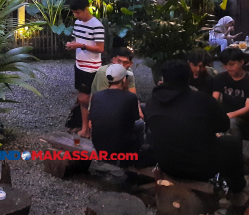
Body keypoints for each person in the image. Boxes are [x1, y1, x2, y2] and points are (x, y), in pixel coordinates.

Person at [145, 60, 247, 204]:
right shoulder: (202, 99)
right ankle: (238, 191)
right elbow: (224, 125)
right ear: (189, 77)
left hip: (167, 165)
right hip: (202, 168)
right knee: (233, 142)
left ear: (163, 78)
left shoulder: (152, 101)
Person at [65, 0, 105, 138]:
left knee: (85, 98)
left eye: (78, 13)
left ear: (86, 9)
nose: (76, 15)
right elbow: (77, 39)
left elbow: (100, 48)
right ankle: (84, 127)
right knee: (82, 98)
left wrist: (81, 45)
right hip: (79, 64)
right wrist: (72, 44)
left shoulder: (97, 25)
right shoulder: (77, 23)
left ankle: (87, 128)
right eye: (74, 13)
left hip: (91, 68)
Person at [89, 64, 143, 162]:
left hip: (99, 145)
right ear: (123, 80)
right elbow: (135, 118)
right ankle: (134, 156)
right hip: (120, 148)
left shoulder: (96, 96)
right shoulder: (130, 97)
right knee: (140, 124)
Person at [212, 48, 249, 141]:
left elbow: (247, 107)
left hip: (244, 117)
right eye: (225, 64)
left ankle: (235, 152)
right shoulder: (220, 78)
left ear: (242, 62)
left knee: (232, 122)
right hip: (226, 114)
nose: (228, 68)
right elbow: (214, 99)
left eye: (232, 64)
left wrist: (231, 115)